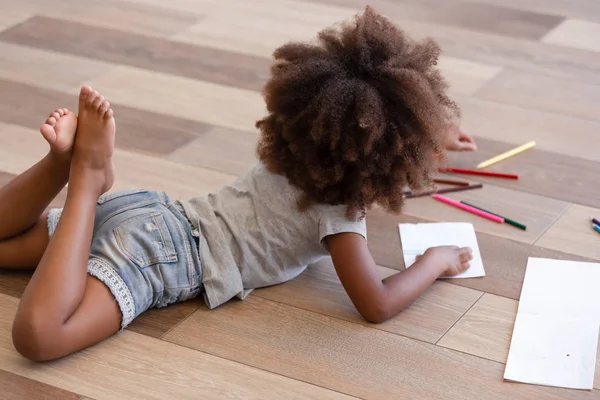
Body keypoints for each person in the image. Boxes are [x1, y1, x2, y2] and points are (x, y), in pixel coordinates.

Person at [1, 6, 477, 362]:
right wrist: (434, 262)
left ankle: (61, 166)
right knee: (40, 337)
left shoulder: (297, 150)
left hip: (151, 212)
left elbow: (367, 135)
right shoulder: (338, 214)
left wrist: (428, 130)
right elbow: (377, 303)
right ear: (396, 154)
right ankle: (84, 178)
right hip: (162, 258)